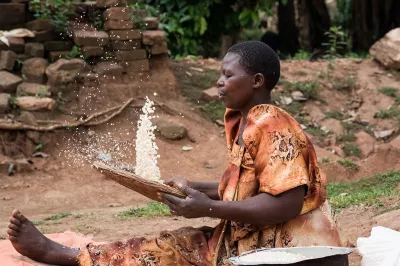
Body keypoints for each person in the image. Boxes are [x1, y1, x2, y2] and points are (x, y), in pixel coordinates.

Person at [6, 41, 344, 266]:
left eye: (228, 75)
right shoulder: (243, 121)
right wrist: (190, 187)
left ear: (256, 81)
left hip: (297, 254)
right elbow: (248, 187)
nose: (220, 82)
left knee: (167, 250)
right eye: (220, 75)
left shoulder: (271, 123)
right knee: (176, 244)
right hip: (260, 242)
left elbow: (285, 202)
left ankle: (59, 254)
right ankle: (69, 254)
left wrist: (207, 207)